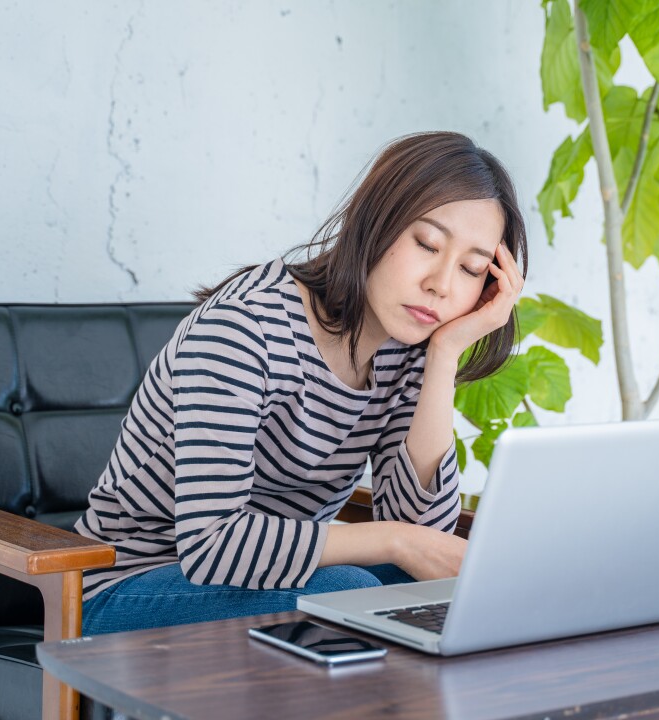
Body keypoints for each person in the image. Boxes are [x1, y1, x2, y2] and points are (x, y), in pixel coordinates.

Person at [74, 131, 528, 635]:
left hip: (274, 578)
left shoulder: (409, 343)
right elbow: (210, 546)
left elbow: (426, 538)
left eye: (470, 268)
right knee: (349, 592)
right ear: (374, 223)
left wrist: (443, 357)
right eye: (427, 244)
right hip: (127, 588)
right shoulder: (243, 328)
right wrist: (395, 541)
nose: (441, 284)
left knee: (447, 586)